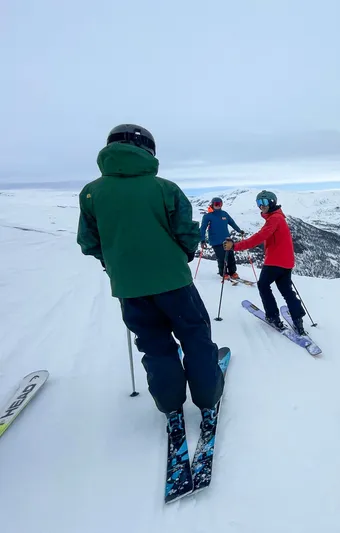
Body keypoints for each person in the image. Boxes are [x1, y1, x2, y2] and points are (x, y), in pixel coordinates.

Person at [77, 123, 225, 437]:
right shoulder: (164, 188)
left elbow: (89, 242)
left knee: (156, 348)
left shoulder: (91, 193)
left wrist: (115, 265)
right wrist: (177, 260)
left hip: (130, 289)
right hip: (174, 283)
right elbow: (188, 234)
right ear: (148, 150)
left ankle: (171, 408)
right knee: (196, 339)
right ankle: (208, 402)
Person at [223, 190, 306, 334]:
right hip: (286, 262)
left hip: (275, 262)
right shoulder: (278, 217)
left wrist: (235, 246)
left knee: (263, 285)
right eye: (259, 203)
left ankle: (273, 316)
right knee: (286, 290)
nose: (261, 206)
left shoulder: (274, 219)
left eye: (264, 202)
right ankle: (298, 320)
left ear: (272, 202)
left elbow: (258, 238)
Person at [200, 197, 243, 280]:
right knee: (221, 258)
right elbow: (202, 228)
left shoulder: (224, 214)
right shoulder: (208, 216)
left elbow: (232, 223)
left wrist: (239, 230)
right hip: (215, 241)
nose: (218, 206)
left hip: (227, 239)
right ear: (212, 204)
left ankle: (232, 272)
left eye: (220, 204)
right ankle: (223, 273)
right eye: (216, 204)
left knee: (231, 256)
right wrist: (202, 240)